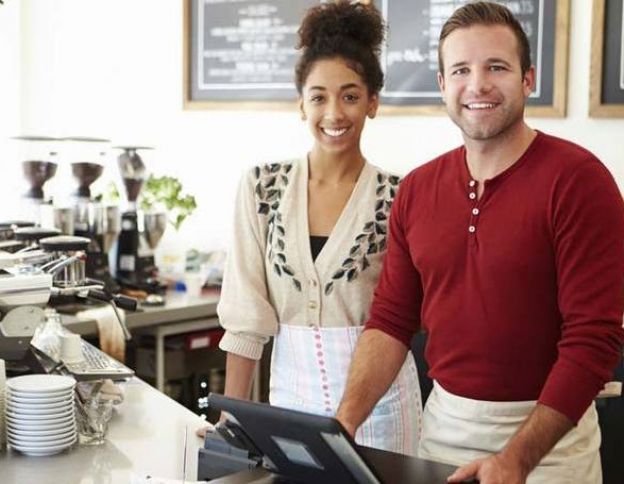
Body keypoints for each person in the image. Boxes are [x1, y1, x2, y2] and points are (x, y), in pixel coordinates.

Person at [336, 2, 624, 483]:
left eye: (497, 67)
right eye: (461, 70)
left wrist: (516, 460)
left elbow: (594, 340)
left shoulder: (579, 181)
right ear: (442, 84)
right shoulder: (417, 189)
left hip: (550, 450)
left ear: (528, 79)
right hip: (442, 434)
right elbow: (391, 320)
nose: (478, 85)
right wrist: (344, 422)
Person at [206, 0, 422, 455]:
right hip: (291, 405)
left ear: (373, 103)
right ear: (301, 104)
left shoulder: (401, 195)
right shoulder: (262, 187)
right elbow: (246, 316)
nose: (334, 113)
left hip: (382, 411)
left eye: (350, 96)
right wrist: (229, 420)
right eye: (319, 96)